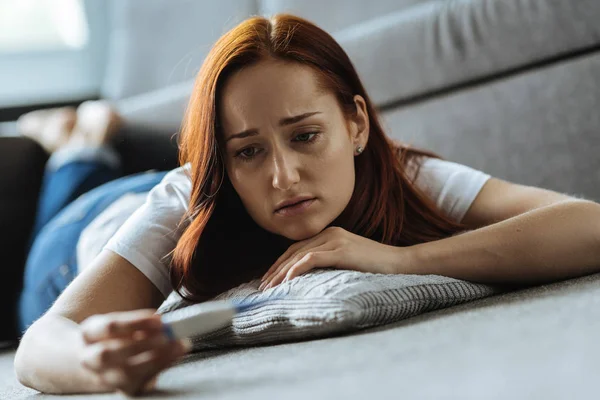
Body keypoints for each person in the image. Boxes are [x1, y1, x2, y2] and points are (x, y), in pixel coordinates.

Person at [13, 14, 600, 396]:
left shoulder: (400, 171)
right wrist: (95, 362)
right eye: (247, 152)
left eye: (304, 136)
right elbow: (40, 345)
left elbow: (589, 224)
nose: (283, 176)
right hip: (80, 237)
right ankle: (77, 146)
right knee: (77, 179)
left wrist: (400, 260)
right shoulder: (185, 201)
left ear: (356, 125)